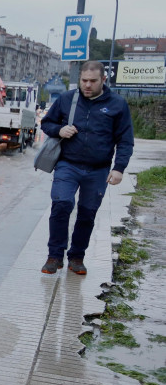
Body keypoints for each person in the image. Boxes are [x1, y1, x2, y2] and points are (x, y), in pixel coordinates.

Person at [39, 60, 134, 275]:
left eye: (93, 81)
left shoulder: (118, 104)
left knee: (87, 214)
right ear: (79, 79)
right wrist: (59, 130)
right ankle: (54, 255)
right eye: (84, 81)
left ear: (103, 80)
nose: (87, 85)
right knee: (62, 203)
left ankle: (77, 257)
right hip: (67, 164)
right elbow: (46, 123)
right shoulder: (66, 99)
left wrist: (119, 168)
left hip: (98, 169)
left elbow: (125, 140)